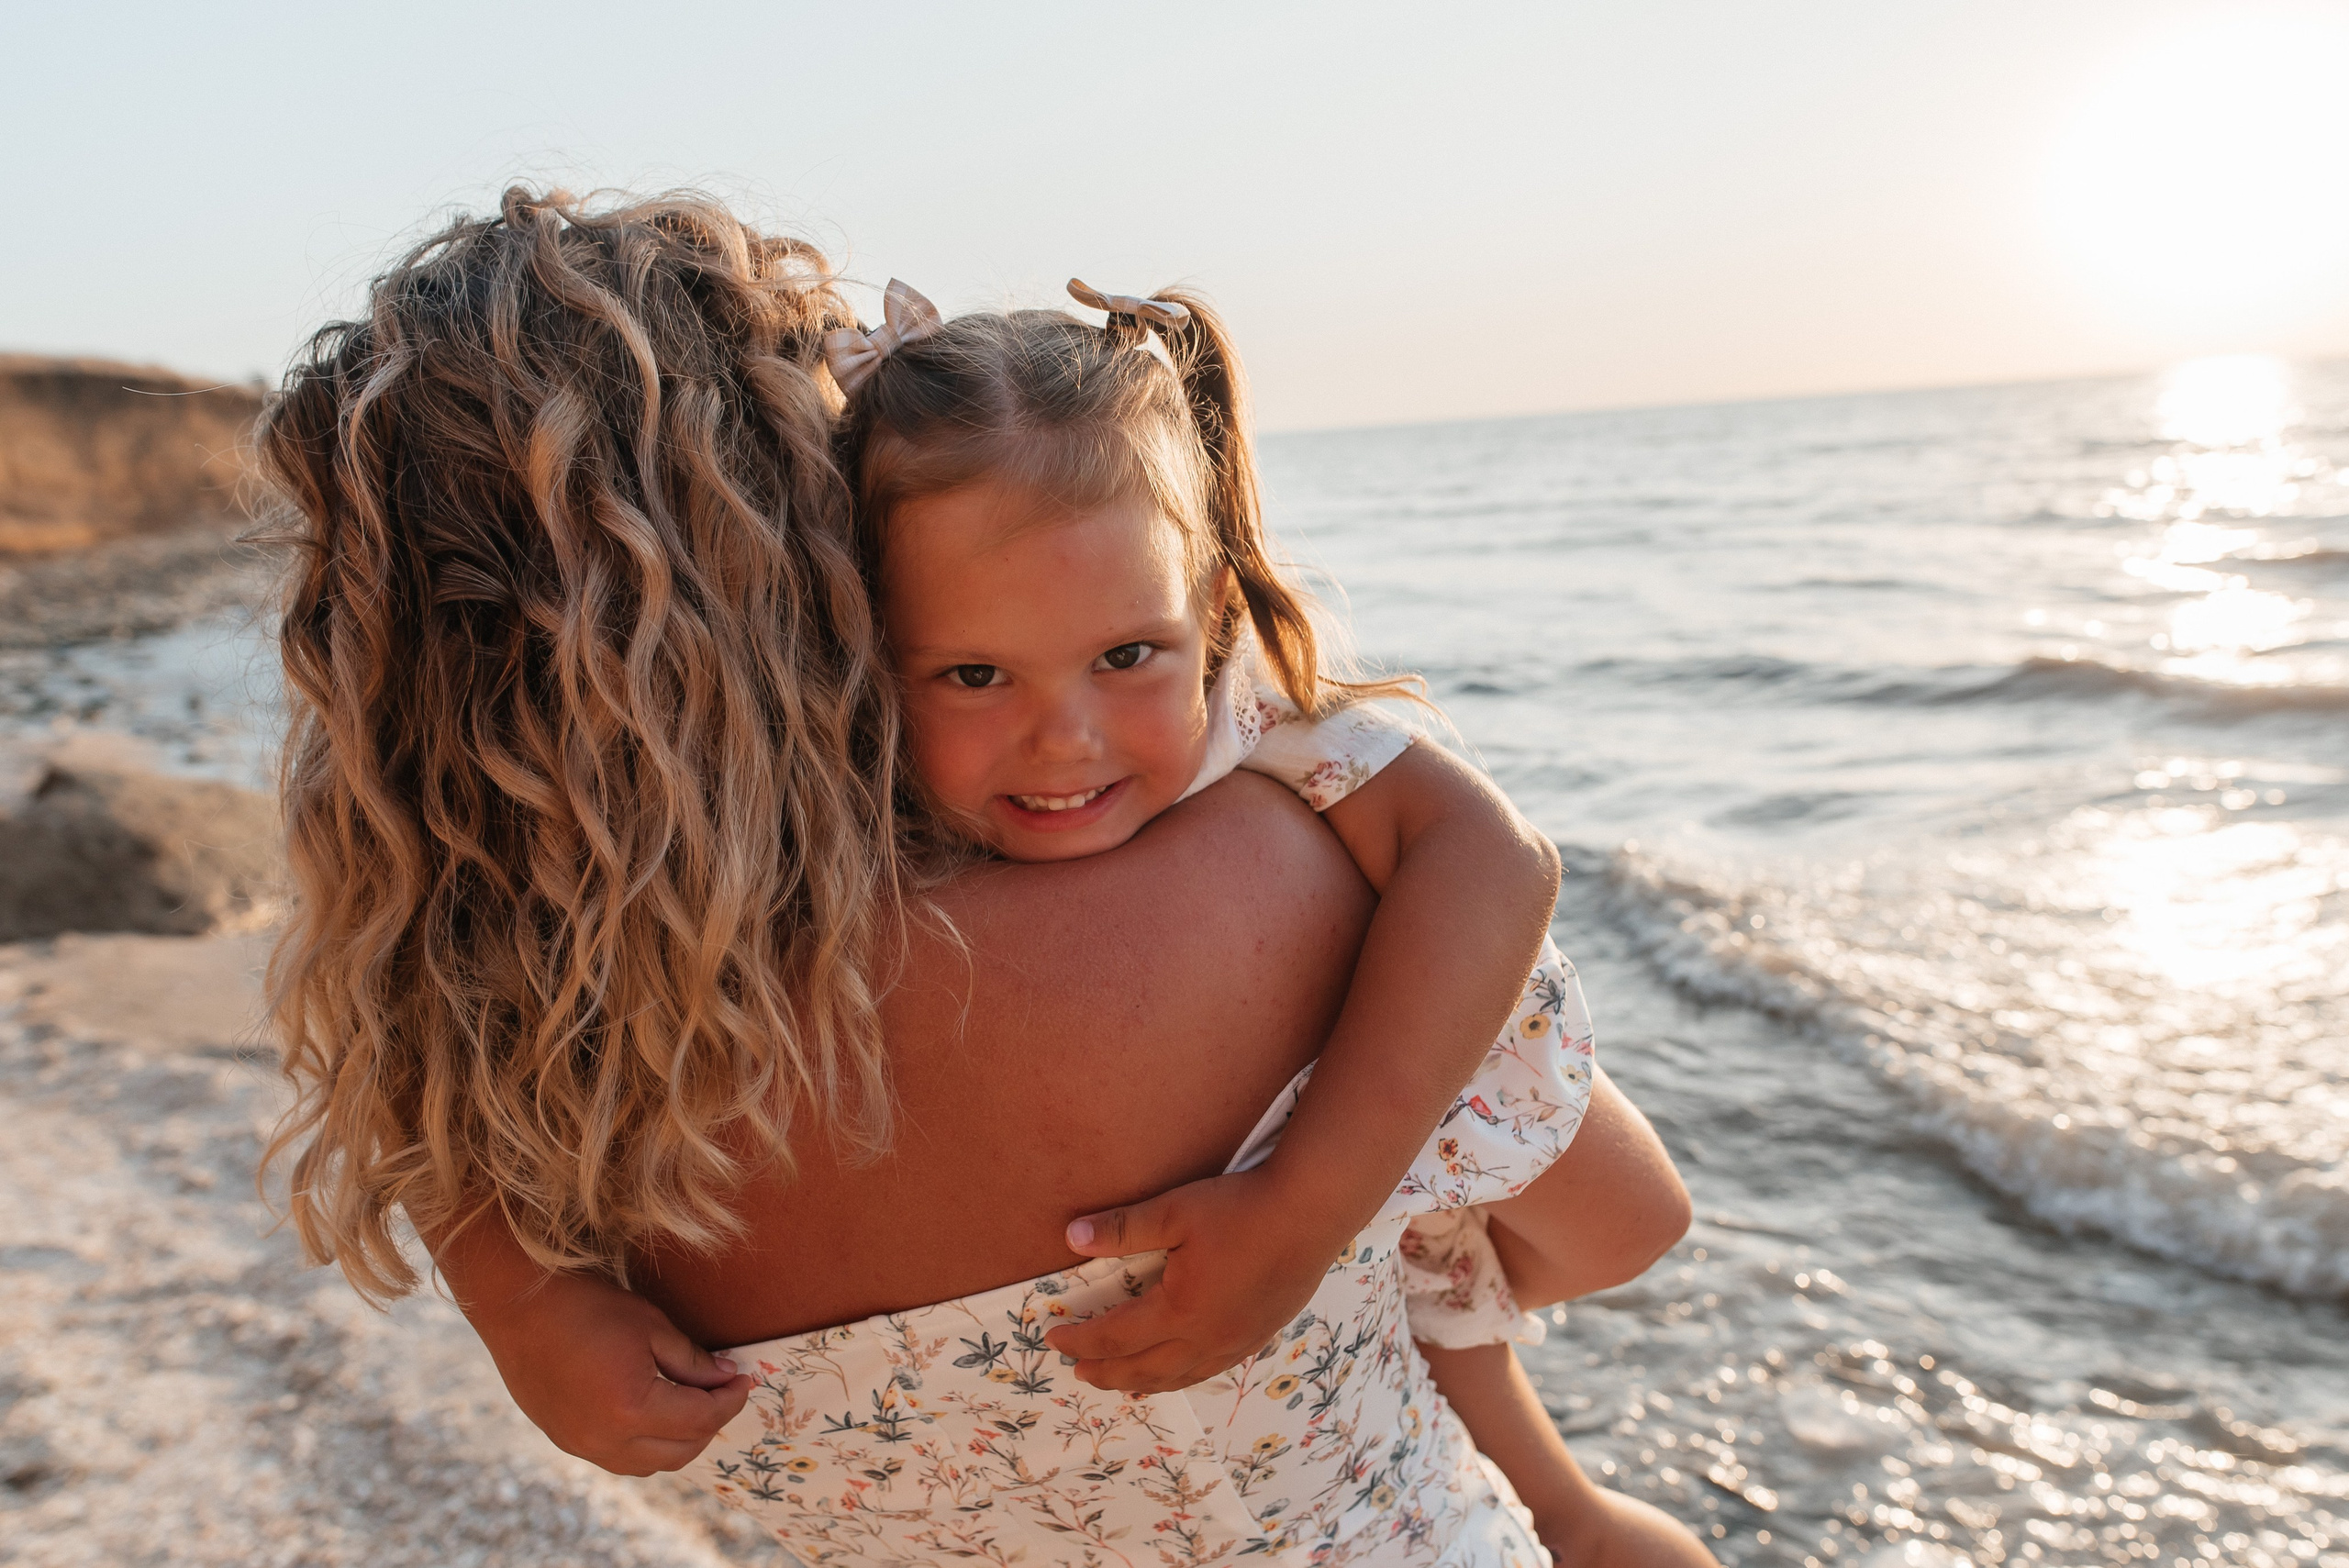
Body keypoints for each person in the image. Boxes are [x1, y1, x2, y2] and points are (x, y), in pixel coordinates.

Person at [256, 187, 1709, 1565]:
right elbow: (1620, 1219)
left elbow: (419, 1093)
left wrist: (515, 1302)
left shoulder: (521, 1077)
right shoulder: (1288, 881)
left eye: (1125, 653)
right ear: (813, 578)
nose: (1060, 728)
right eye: (967, 667)